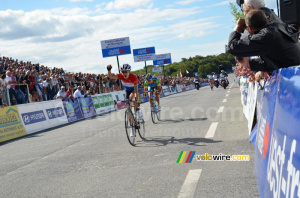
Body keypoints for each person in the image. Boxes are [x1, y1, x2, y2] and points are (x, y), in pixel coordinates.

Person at [227, 9, 300, 72]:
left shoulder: (266, 36)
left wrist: (238, 28)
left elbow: (232, 47)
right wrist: (249, 63)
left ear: (249, 28)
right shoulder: (279, 27)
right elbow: (277, 60)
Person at [107, 64, 140, 137]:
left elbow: (136, 90)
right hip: (127, 91)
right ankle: (131, 127)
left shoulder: (133, 77)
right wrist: (109, 70)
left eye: (126, 72)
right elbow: (111, 76)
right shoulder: (120, 75)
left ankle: (138, 110)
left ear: (129, 71)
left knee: (133, 98)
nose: (124, 73)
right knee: (128, 108)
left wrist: (136, 100)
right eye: (123, 72)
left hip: (134, 90)